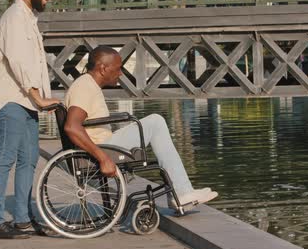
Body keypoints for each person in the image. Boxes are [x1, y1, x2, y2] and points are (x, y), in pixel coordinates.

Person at [64, 46, 218, 210]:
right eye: (117, 69)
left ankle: (181, 191)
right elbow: (72, 127)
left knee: (151, 123)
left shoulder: (87, 84)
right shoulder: (85, 86)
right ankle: (181, 192)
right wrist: (103, 158)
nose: (121, 73)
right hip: (103, 149)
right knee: (156, 122)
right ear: (103, 68)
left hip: (105, 143)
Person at [0, 0, 60, 239]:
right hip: (12, 100)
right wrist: (37, 95)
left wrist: (40, 98)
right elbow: (17, 61)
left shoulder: (29, 19)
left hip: (28, 101)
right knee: (4, 159)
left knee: (28, 160)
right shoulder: (15, 17)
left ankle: (22, 219)